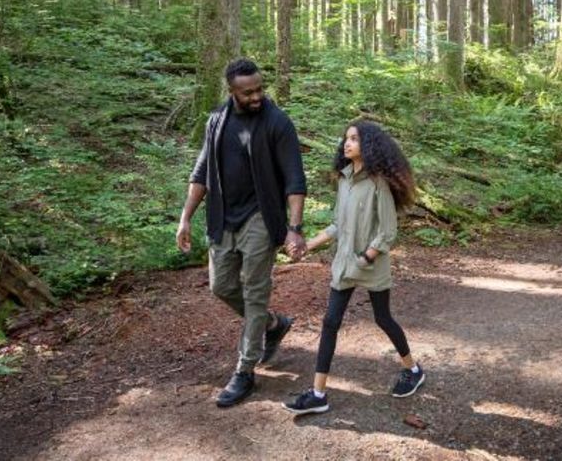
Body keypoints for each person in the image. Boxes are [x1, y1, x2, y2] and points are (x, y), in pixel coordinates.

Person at [176, 58, 308, 408]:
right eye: (248, 92)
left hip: (261, 218)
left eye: (260, 89)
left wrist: (295, 229)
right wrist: (185, 218)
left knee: (254, 291)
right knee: (221, 286)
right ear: (231, 91)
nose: (256, 96)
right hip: (222, 218)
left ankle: (245, 371)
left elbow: (295, 179)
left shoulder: (277, 122)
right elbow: (202, 171)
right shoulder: (217, 120)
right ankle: (273, 324)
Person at [283, 120, 424, 415]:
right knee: (330, 322)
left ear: (369, 146)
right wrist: (308, 245)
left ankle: (412, 369)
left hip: (370, 265)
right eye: (346, 138)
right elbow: (337, 225)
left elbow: (387, 230)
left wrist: (368, 256)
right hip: (344, 264)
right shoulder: (345, 179)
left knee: (383, 319)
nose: (347, 144)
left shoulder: (378, 183)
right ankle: (319, 393)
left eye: (354, 139)